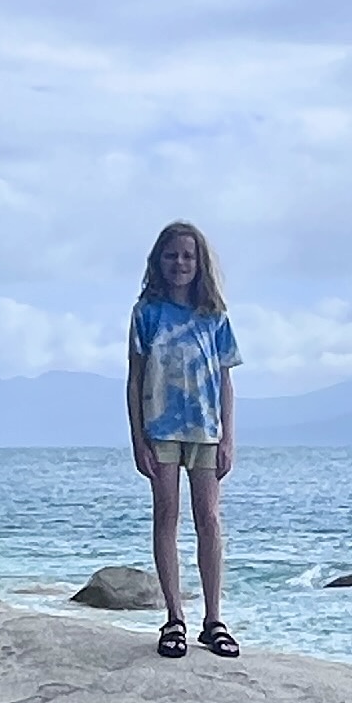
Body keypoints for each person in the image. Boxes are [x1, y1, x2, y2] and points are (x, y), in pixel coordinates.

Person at [127, 221, 241, 658]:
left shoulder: (214, 315)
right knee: (166, 516)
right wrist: (138, 438)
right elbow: (135, 381)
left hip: (205, 430)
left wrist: (228, 437)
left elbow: (226, 381)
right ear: (159, 260)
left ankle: (214, 619)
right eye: (172, 255)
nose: (181, 263)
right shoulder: (146, 313)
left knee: (209, 519)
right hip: (160, 429)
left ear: (200, 263)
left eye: (188, 256)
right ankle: (174, 617)